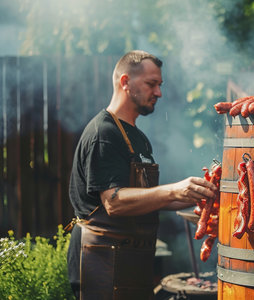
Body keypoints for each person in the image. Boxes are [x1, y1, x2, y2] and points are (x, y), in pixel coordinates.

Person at [67, 50, 217, 300]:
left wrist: (200, 195)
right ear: (125, 82)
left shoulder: (138, 137)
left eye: (159, 85)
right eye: (151, 84)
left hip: (133, 258)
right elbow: (113, 202)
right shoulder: (104, 133)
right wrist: (174, 189)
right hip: (102, 260)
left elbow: (150, 199)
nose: (158, 92)